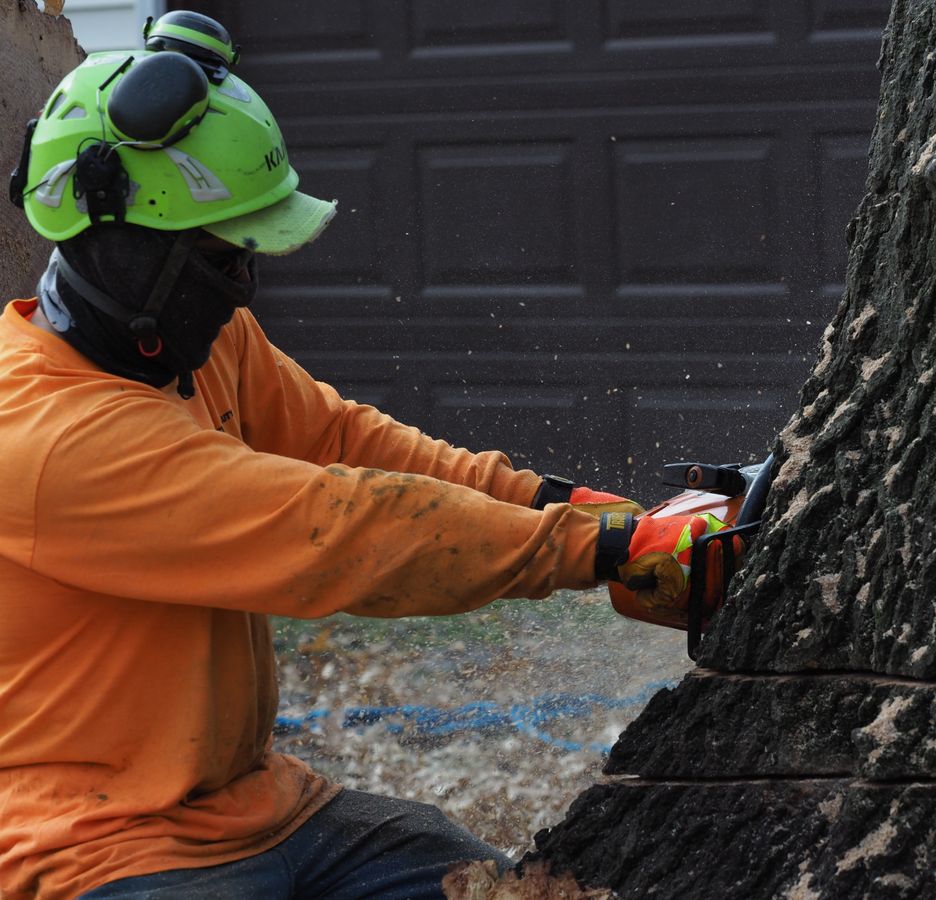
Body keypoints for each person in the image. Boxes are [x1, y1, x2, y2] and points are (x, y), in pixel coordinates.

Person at [0, 12, 739, 900]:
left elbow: (353, 443)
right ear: (119, 242)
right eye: (216, 256)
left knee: (502, 885)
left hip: (258, 804)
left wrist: (605, 511)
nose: (241, 284)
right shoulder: (48, 441)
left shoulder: (194, 343)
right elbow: (340, 529)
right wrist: (600, 552)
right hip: (94, 844)